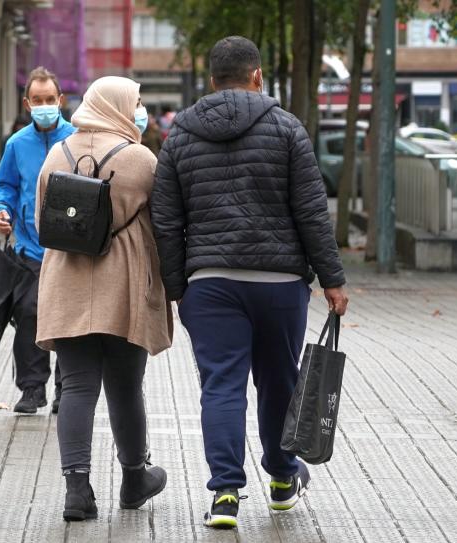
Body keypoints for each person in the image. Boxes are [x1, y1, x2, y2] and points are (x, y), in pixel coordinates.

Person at [150, 36, 349, 529]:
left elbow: (165, 220)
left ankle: (224, 496)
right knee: (278, 382)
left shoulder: (180, 136)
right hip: (279, 284)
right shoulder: (286, 128)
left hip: (211, 283)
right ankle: (282, 480)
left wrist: (178, 286)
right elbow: (311, 212)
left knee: (222, 387)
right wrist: (333, 280)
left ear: (212, 80)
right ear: (256, 75)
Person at [34, 76, 173, 522]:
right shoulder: (140, 158)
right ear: (118, 106)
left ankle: (77, 491)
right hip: (124, 284)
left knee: (76, 385)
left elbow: (41, 217)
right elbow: (166, 223)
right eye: (135, 103)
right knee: (126, 386)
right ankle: (134, 479)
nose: (138, 110)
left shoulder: (58, 152)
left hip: (67, 281)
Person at [0, 66, 74, 415]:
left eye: (50, 100)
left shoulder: (78, 138)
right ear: (27, 103)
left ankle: (65, 390)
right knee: (29, 315)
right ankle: (31, 388)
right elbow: (5, 185)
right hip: (29, 247)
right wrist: (0, 210)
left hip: (71, 249)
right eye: (37, 100)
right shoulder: (17, 143)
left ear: (61, 100)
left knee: (70, 322)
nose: (44, 105)